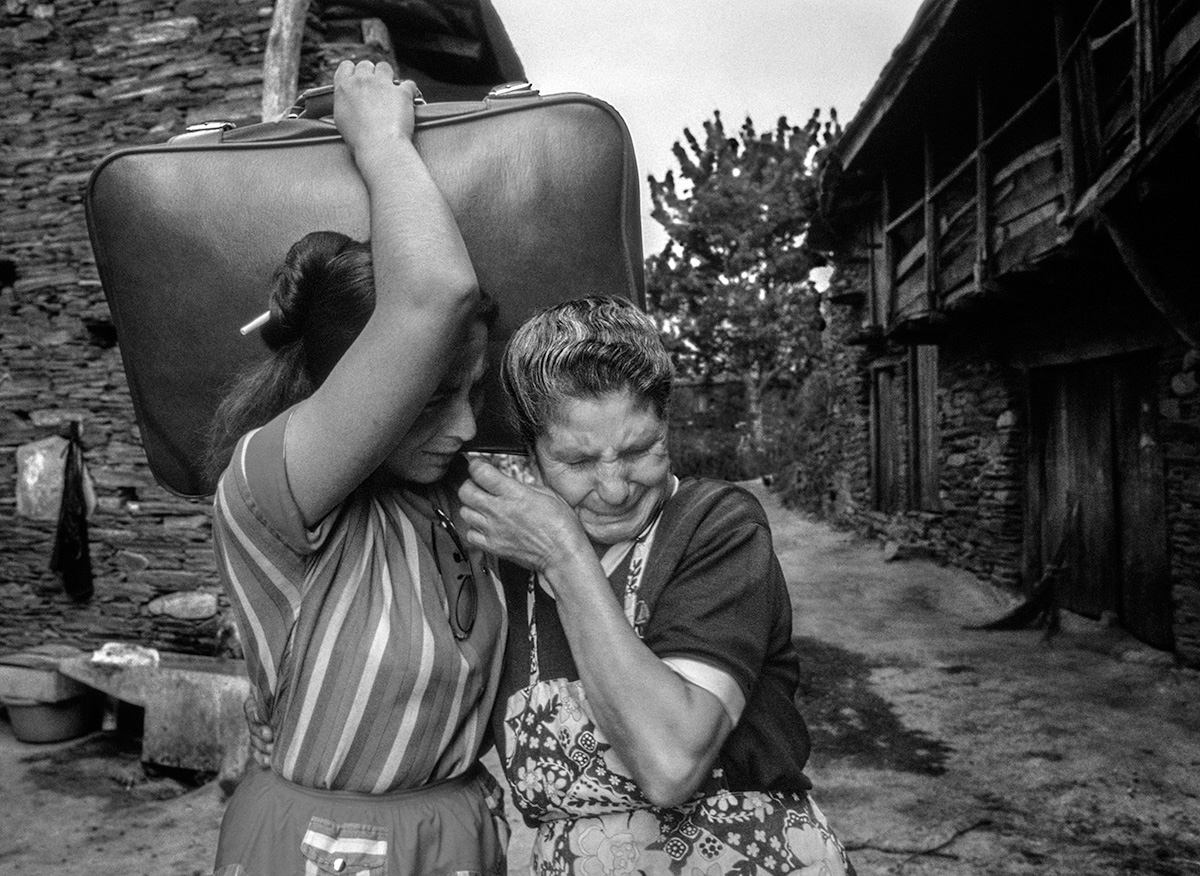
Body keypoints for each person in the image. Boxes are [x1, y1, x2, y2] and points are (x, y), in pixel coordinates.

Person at [208, 59, 508, 876]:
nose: (469, 425)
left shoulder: (458, 504)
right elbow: (436, 292)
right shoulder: (270, 491)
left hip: (456, 840)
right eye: (431, 396)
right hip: (326, 854)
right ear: (352, 389)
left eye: (473, 391)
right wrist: (380, 141)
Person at [457, 295, 856, 875]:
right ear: (533, 456)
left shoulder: (716, 526)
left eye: (640, 449)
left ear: (667, 421)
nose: (615, 489)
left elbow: (671, 762)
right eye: (577, 461)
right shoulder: (506, 560)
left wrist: (567, 560)